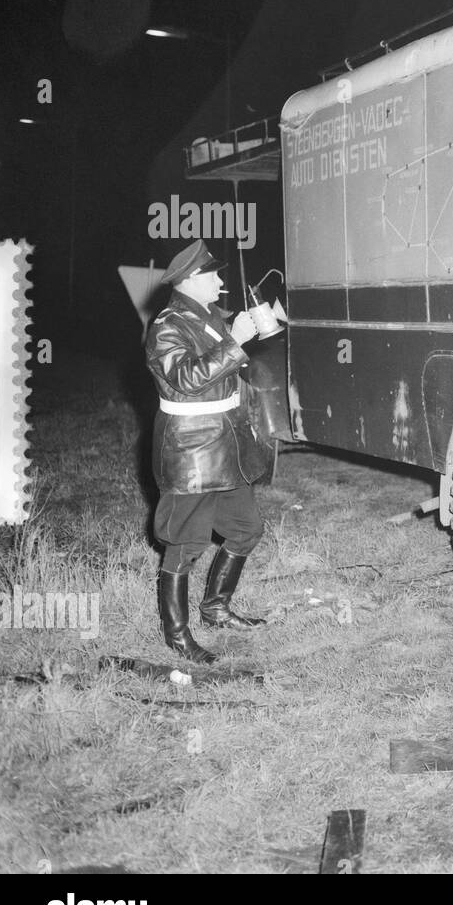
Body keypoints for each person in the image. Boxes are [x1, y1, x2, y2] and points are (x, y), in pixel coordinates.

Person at [145, 240, 269, 664]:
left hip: (226, 445)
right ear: (190, 281)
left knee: (247, 528)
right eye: (213, 275)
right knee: (184, 542)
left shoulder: (208, 315)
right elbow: (185, 378)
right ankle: (177, 636)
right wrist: (235, 342)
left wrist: (256, 325)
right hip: (193, 451)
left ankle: (215, 607)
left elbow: (221, 349)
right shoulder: (166, 325)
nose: (220, 281)